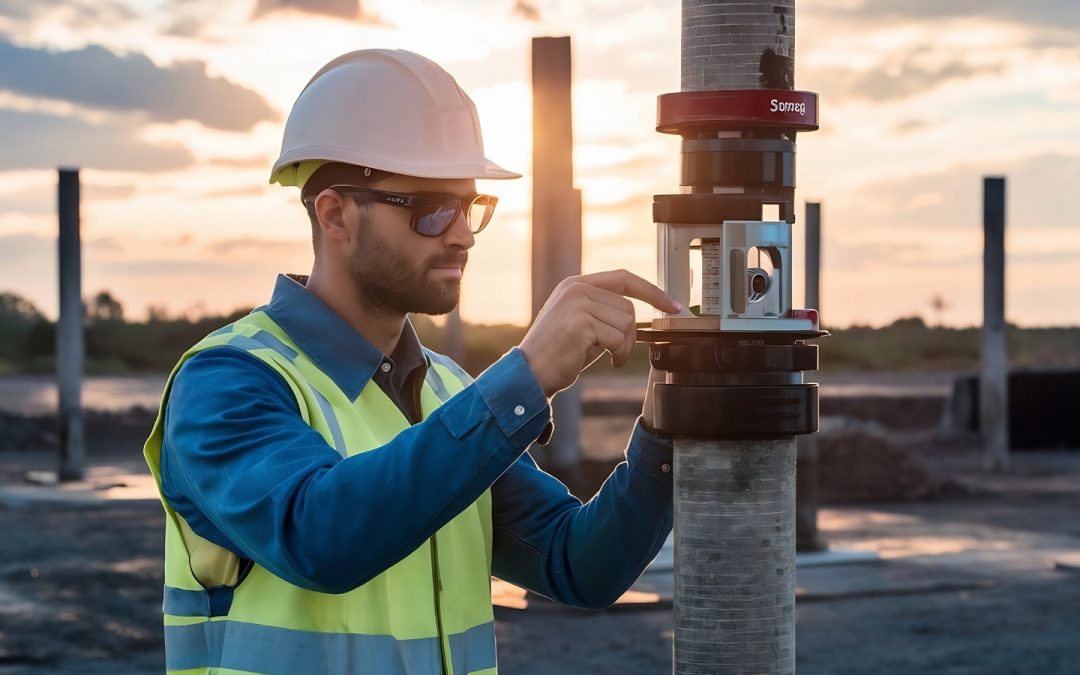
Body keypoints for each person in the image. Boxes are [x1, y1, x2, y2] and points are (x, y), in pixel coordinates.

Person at [143, 48, 681, 675]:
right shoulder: (230, 382)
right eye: (430, 208)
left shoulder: (450, 392)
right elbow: (322, 540)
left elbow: (577, 564)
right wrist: (527, 376)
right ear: (336, 213)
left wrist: (670, 420)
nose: (462, 234)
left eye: (470, 206)